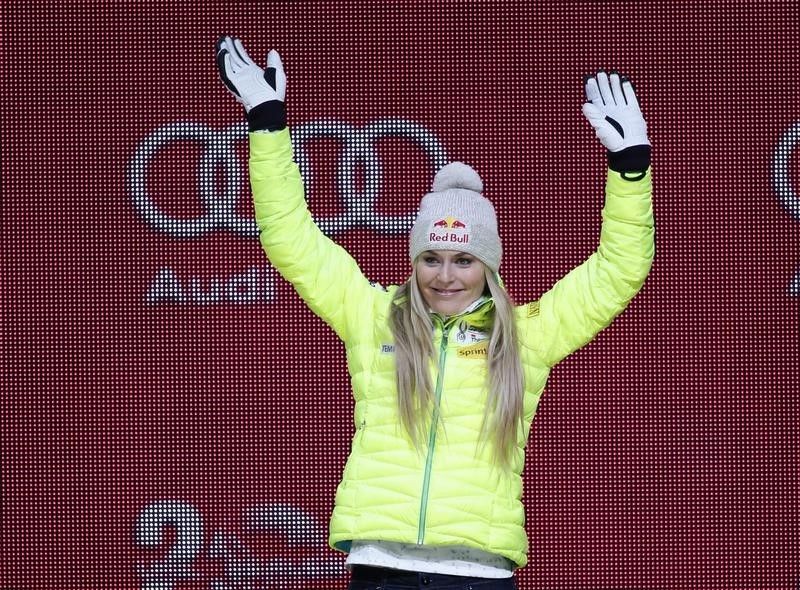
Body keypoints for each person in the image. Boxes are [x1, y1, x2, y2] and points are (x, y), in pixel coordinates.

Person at [215, 35, 654, 590]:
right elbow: (291, 237)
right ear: (415, 258)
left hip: (477, 572)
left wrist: (631, 168)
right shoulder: (374, 316)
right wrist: (269, 126)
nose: (446, 276)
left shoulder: (524, 334)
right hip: (381, 568)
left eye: (463, 259)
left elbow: (619, 267)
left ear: (488, 265)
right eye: (431, 258)